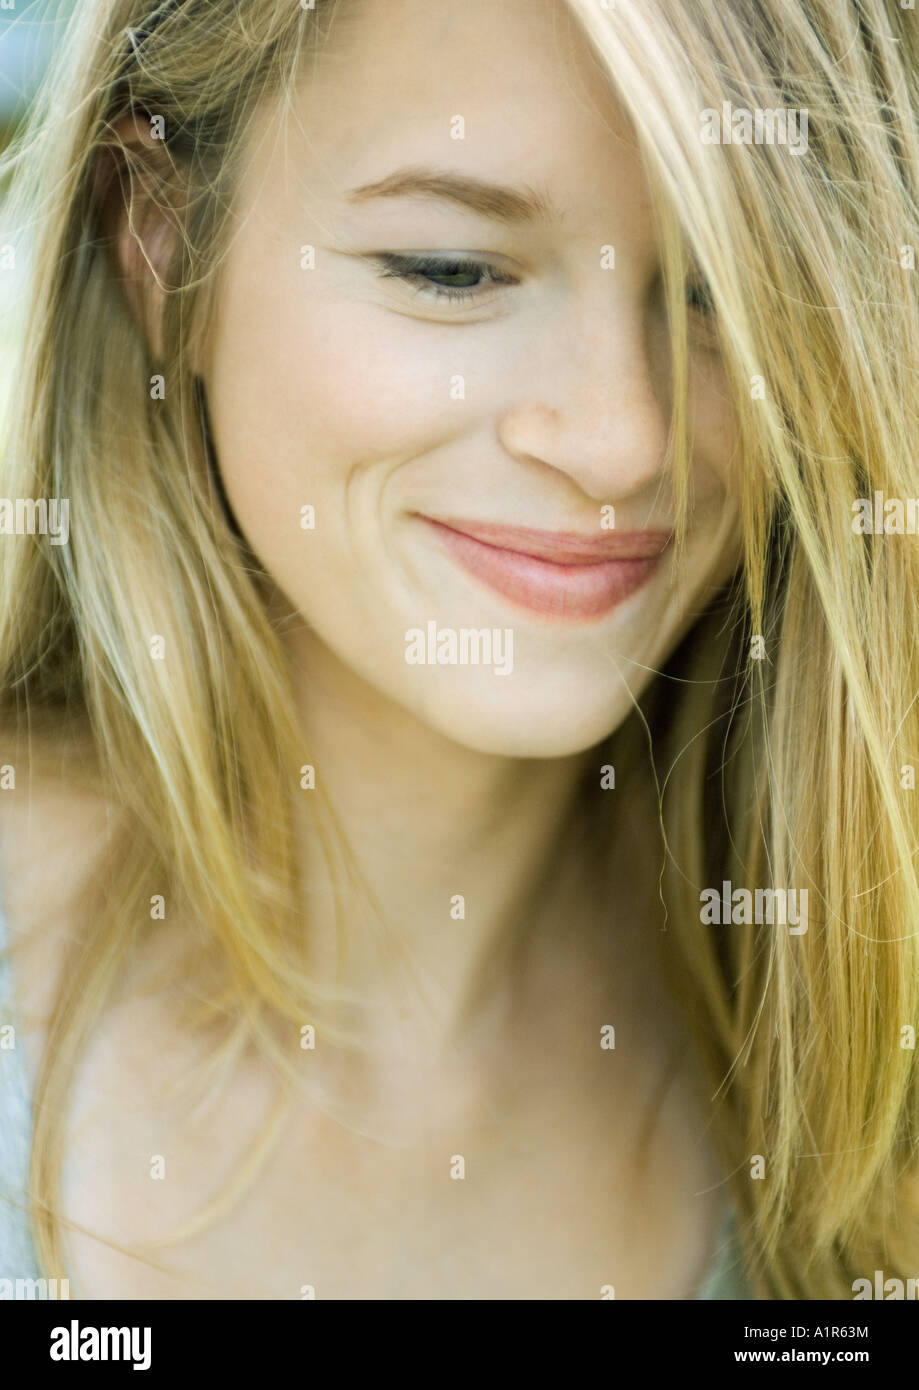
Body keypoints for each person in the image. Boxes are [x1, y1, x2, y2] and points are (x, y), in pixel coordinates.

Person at [0, 0, 916, 1300]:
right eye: (452, 269)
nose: (621, 440)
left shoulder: (851, 1055)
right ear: (157, 242)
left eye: (722, 285)